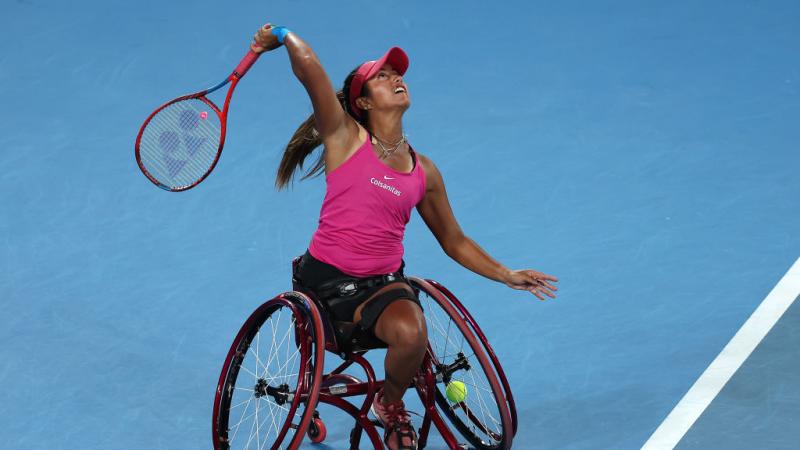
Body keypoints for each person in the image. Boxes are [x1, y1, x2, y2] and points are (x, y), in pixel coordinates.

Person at [251, 23, 558, 450]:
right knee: (403, 329)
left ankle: (389, 403)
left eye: (398, 73)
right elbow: (311, 70)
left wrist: (506, 274)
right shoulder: (343, 137)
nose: (397, 79)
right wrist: (282, 35)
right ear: (361, 101)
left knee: (413, 334)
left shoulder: (423, 171)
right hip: (324, 287)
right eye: (382, 76)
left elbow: (455, 241)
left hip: (382, 287)